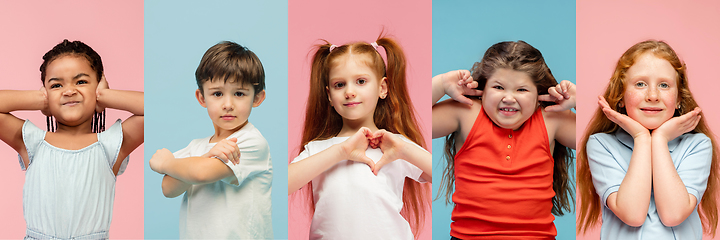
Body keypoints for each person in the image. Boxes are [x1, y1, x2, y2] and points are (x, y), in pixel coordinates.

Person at [288, 36, 431, 239]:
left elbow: (447, 177)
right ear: (329, 95)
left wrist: (405, 149)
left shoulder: (395, 146)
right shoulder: (319, 149)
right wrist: (341, 151)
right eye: (339, 85)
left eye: (361, 81)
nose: (349, 92)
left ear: (383, 88)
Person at [0, 39, 144, 239]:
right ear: (45, 92)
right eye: (56, 85)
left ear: (98, 88)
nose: (69, 91)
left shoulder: (111, 145)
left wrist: (106, 96)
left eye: (81, 82)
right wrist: (40, 100)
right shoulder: (32, 142)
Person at [432, 40, 576, 239]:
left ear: (539, 95)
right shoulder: (467, 113)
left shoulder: (551, 118)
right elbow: (413, 119)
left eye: (522, 90)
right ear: (483, 89)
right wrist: (440, 84)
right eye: (499, 87)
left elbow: (598, 137)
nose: (509, 98)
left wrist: (580, 100)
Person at [577, 40, 719, 239]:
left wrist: (659, 139)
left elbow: (673, 214)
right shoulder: (601, 145)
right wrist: (642, 137)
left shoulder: (697, 145)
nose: (652, 95)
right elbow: (633, 214)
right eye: (640, 84)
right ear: (620, 96)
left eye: (664, 85)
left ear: (679, 99)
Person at [148, 41, 272, 239]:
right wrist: (206, 155)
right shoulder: (196, 146)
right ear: (202, 98)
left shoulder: (250, 142)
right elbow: (168, 188)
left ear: (257, 98)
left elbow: (201, 173)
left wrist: (166, 163)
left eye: (239, 93)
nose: (228, 104)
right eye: (217, 94)